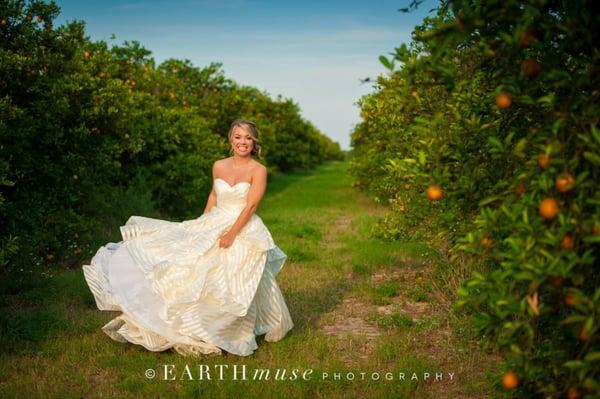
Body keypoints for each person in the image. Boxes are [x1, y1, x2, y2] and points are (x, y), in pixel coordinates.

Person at [82, 119, 294, 356]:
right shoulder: (219, 166)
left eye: (247, 138)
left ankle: (227, 329)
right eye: (237, 137)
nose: (242, 142)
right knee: (186, 264)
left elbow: (251, 205)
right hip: (215, 220)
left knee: (234, 277)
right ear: (230, 139)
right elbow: (214, 194)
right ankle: (188, 325)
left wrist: (231, 234)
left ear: (254, 142)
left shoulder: (258, 170)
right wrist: (201, 224)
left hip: (242, 226)